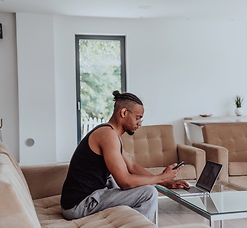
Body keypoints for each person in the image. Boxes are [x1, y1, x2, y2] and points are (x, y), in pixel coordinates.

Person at [61, 90, 189, 221]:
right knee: (148, 193)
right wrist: (161, 177)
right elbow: (125, 182)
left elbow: (132, 167)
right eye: (138, 117)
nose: (140, 123)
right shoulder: (107, 134)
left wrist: (166, 181)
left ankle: (127, 222)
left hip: (89, 197)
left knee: (120, 181)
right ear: (123, 113)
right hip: (79, 205)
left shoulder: (112, 134)